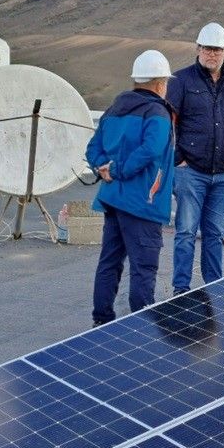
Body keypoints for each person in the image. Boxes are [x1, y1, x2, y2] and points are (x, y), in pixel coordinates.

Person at [87, 49, 175, 327]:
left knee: (109, 263)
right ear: (161, 83)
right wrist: (117, 169)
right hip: (143, 204)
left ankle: (101, 322)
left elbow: (93, 148)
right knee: (143, 269)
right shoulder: (157, 111)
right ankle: (142, 329)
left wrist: (103, 166)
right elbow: (152, 149)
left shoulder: (114, 109)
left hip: (112, 200)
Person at [167, 22, 224, 293]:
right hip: (190, 171)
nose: (212, 54)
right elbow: (168, 123)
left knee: (215, 233)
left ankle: (214, 286)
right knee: (185, 232)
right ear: (198, 49)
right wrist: (178, 158)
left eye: (217, 49)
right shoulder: (180, 81)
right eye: (207, 49)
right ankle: (181, 289)